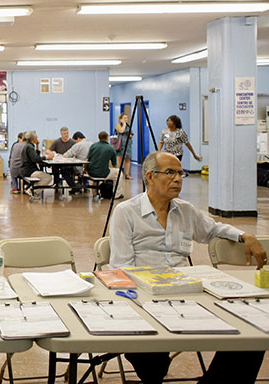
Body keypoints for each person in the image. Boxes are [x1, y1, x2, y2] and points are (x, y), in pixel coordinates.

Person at [109, 151, 266, 384]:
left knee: (252, 335)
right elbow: (121, 267)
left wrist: (244, 235)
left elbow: (212, 229)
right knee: (151, 357)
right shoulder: (126, 212)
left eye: (180, 173)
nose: (178, 179)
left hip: (188, 294)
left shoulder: (185, 210)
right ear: (150, 177)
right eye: (170, 173)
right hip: (145, 298)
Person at [86, 131, 125, 199]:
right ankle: (117, 194)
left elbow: (87, 160)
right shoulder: (111, 148)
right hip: (103, 173)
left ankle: (94, 193)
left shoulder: (93, 146)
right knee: (119, 173)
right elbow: (114, 165)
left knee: (96, 172)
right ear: (107, 138)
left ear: (99, 137)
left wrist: (85, 170)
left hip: (91, 172)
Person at [19, 131, 52, 195]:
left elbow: (36, 156)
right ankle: (32, 190)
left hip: (26, 169)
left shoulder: (29, 146)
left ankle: (31, 188)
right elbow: (36, 159)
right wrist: (46, 157)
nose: (37, 138)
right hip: (29, 171)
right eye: (36, 137)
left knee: (43, 175)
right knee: (48, 177)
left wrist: (37, 146)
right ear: (33, 138)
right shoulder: (29, 147)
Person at [115, 113, 134, 180]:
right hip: (121, 144)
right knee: (119, 159)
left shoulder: (128, 126)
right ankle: (118, 173)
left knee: (128, 159)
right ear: (121, 119)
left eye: (127, 118)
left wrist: (130, 135)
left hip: (128, 143)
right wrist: (124, 124)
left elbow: (129, 133)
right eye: (124, 118)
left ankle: (127, 174)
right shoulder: (118, 125)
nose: (126, 119)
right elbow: (121, 131)